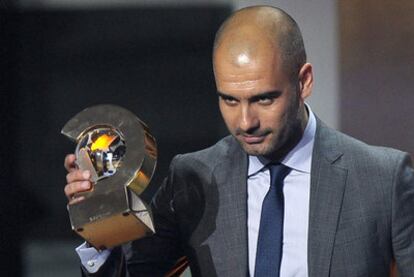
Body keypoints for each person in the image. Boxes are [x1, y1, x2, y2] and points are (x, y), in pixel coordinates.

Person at [64, 5, 414, 277]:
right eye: (229, 100)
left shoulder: (383, 178)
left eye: (264, 99)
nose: (245, 122)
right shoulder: (193, 177)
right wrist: (100, 215)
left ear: (304, 81)